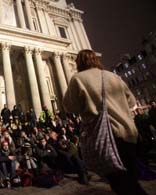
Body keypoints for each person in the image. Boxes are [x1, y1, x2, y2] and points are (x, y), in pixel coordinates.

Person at [63, 49, 147, 195]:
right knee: (130, 180)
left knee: (122, 185)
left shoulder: (79, 78)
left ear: (78, 62)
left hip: (107, 136)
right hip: (129, 134)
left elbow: (70, 107)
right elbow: (132, 101)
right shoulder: (114, 76)